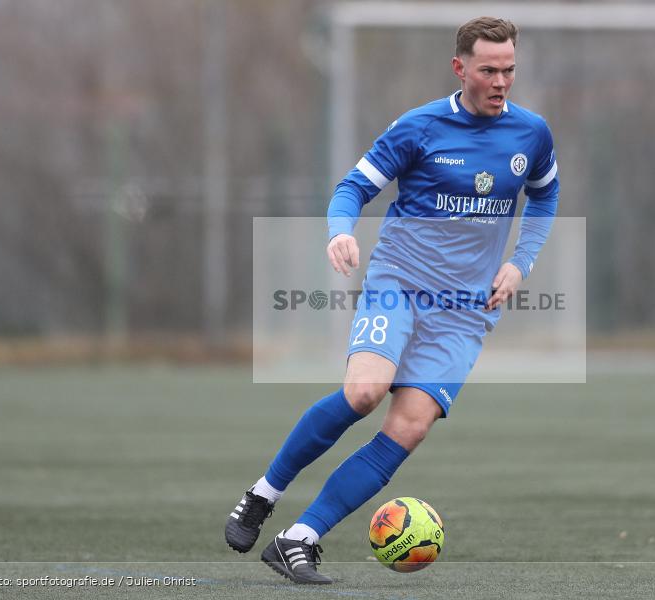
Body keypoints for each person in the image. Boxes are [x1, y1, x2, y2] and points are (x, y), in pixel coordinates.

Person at [225, 16, 559, 584]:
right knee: (364, 393)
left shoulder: (531, 133)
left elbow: (546, 199)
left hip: (464, 311)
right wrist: (340, 230)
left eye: (508, 69)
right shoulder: (419, 127)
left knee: (409, 427)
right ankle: (263, 493)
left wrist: (517, 263)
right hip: (399, 283)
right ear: (460, 68)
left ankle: (298, 539)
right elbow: (353, 187)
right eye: (488, 70)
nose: (501, 81)